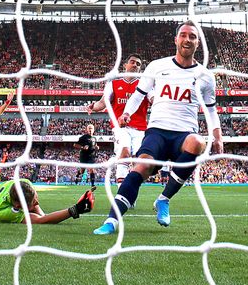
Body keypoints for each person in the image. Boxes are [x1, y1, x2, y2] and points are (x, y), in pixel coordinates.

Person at [94, 20, 223, 235]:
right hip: (157, 132)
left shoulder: (206, 77)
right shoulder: (157, 66)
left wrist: (217, 136)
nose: (187, 39)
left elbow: (210, 110)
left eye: (192, 36)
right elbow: (139, 95)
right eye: (183, 35)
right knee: (142, 167)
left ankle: (163, 199)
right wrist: (127, 112)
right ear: (176, 39)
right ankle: (111, 221)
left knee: (198, 142)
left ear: (198, 43)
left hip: (184, 134)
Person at [87, 53, 150, 186]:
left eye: (138, 64)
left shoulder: (144, 84)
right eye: (132, 62)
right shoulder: (114, 83)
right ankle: (122, 191)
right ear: (125, 65)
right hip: (120, 127)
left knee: (140, 161)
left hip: (140, 129)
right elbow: (103, 102)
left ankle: (131, 190)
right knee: (124, 152)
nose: (135, 65)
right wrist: (93, 107)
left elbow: (153, 99)